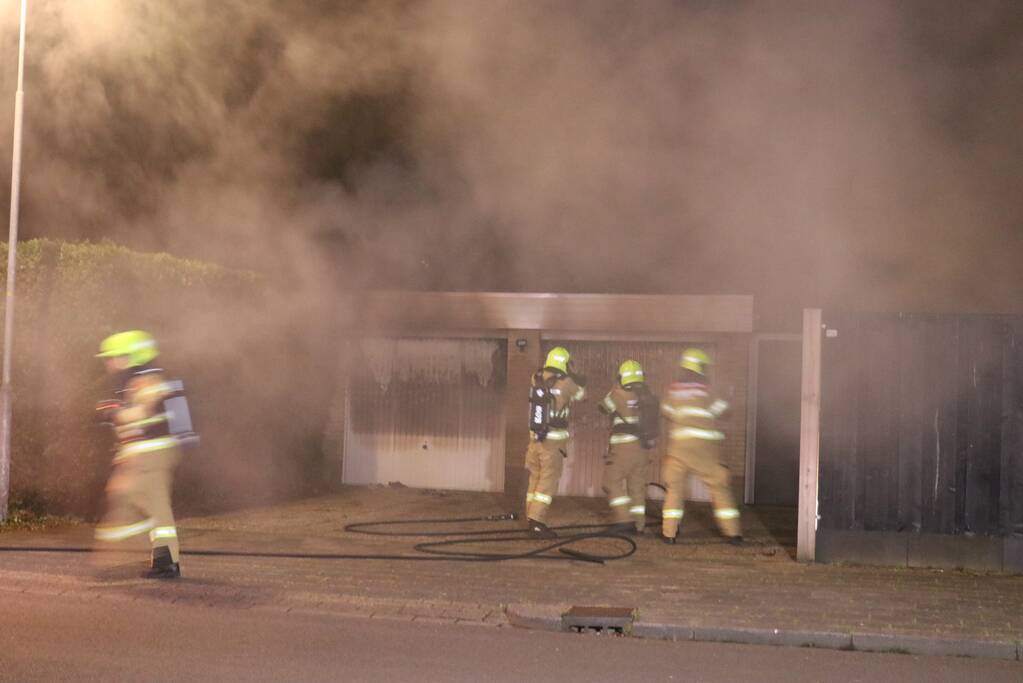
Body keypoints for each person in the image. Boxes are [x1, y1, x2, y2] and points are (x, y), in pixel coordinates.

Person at [94, 330, 186, 578]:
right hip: (145, 453)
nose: (110, 362)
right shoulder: (135, 379)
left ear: (132, 355)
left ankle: (165, 562)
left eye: (114, 357)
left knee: (151, 504)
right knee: (135, 498)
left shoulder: (147, 380)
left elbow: (140, 414)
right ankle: (161, 559)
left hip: (154, 453)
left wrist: (113, 413)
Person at [659, 348, 742, 545]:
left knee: (674, 490)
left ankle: (669, 534)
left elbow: (666, 412)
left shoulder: (673, 391)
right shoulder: (708, 391)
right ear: (701, 368)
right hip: (704, 451)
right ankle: (733, 533)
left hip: (678, 450)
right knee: (719, 487)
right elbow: (724, 411)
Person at [524, 346, 586, 538]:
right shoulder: (566, 383)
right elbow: (582, 396)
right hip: (552, 443)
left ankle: (530, 517)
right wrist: (576, 376)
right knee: (547, 482)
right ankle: (537, 522)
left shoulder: (537, 378)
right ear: (565, 363)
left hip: (535, 439)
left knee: (535, 479)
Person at [599, 359, 657, 534]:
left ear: (621, 377)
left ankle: (624, 520)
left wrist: (613, 389)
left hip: (623, 449)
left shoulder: (617, 394)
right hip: (642, 449)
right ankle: (638, 524)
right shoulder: (647, 396)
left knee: (610, 482)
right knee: (637, 488)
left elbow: (602, 408)